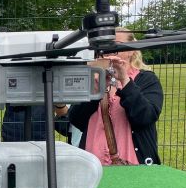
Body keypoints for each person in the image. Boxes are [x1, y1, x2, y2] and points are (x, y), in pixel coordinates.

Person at [68, 29, 163, 165]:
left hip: (133, 163)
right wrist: (95, 92)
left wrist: (125, 81)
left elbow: (145, 118)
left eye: (116, 44)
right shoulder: (92, 78)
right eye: (105, 45)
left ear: (131, 50)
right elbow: (76, 120)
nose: (110, 50)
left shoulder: (147, 79)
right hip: (94, 163)